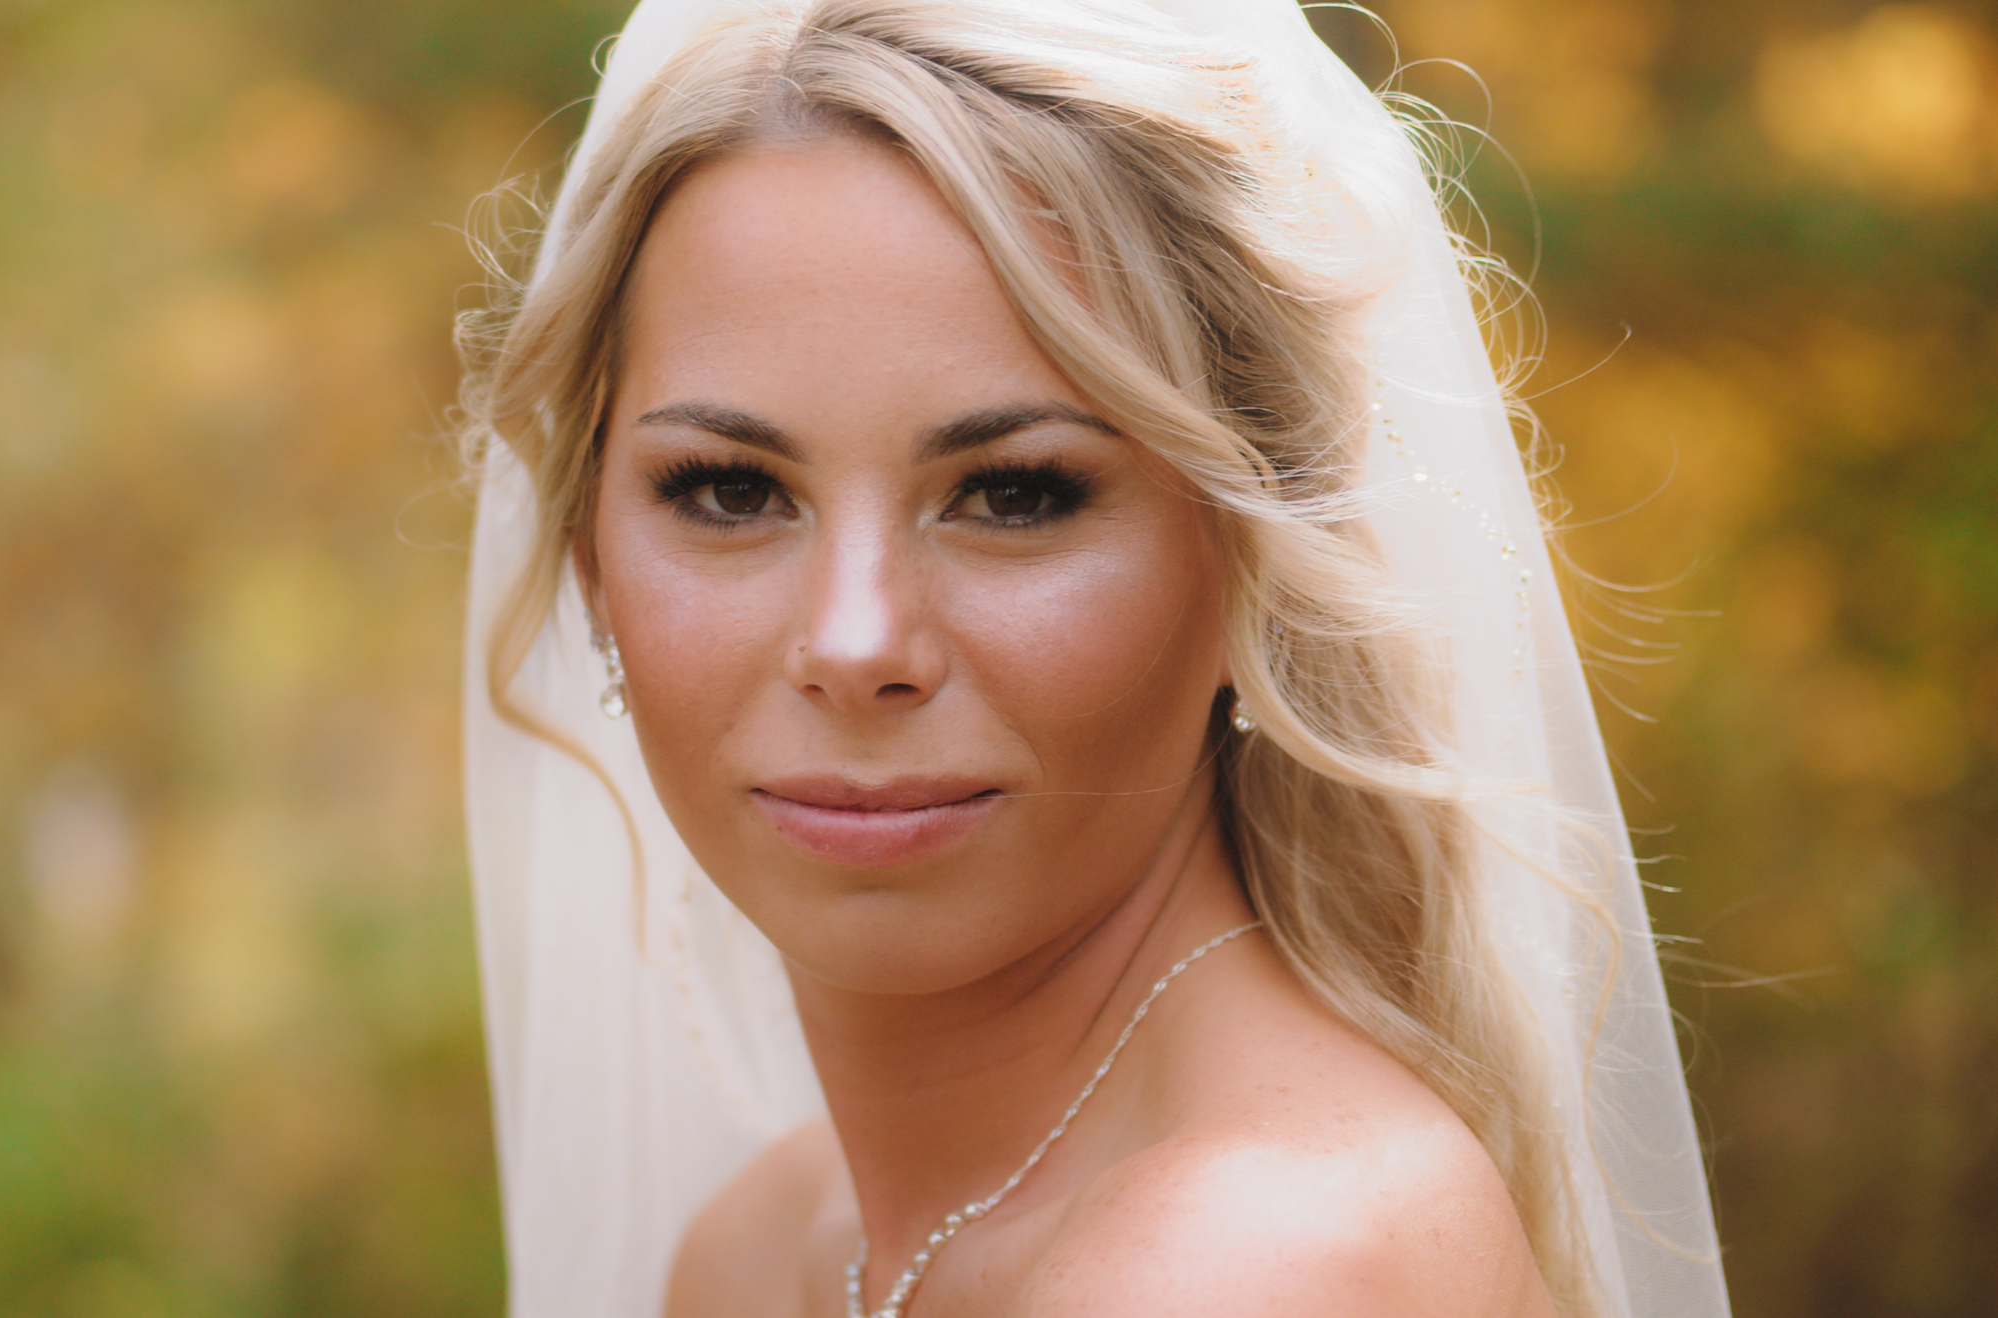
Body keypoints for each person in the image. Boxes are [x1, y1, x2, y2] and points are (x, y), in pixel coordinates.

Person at [459, 2, 1730, 1316]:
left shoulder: (1256, 1262)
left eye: (1013, 494)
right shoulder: (759, 1253)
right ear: (588, 552)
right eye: (729, 490)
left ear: (1247, 553)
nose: (853, 643)